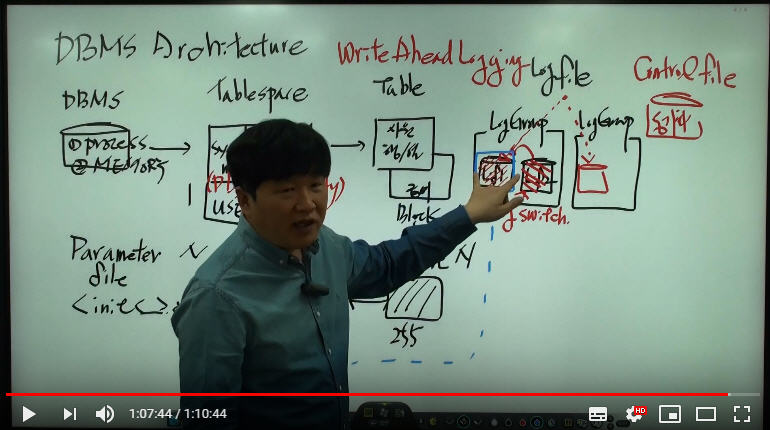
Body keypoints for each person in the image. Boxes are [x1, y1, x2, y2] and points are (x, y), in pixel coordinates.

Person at [171, 118, 524, 429]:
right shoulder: (216, 297)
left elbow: (387, 264)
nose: (307, 204)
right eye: (287, 190)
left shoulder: (327, 246)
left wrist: (468, 215)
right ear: (245, 200)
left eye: (316, 185)